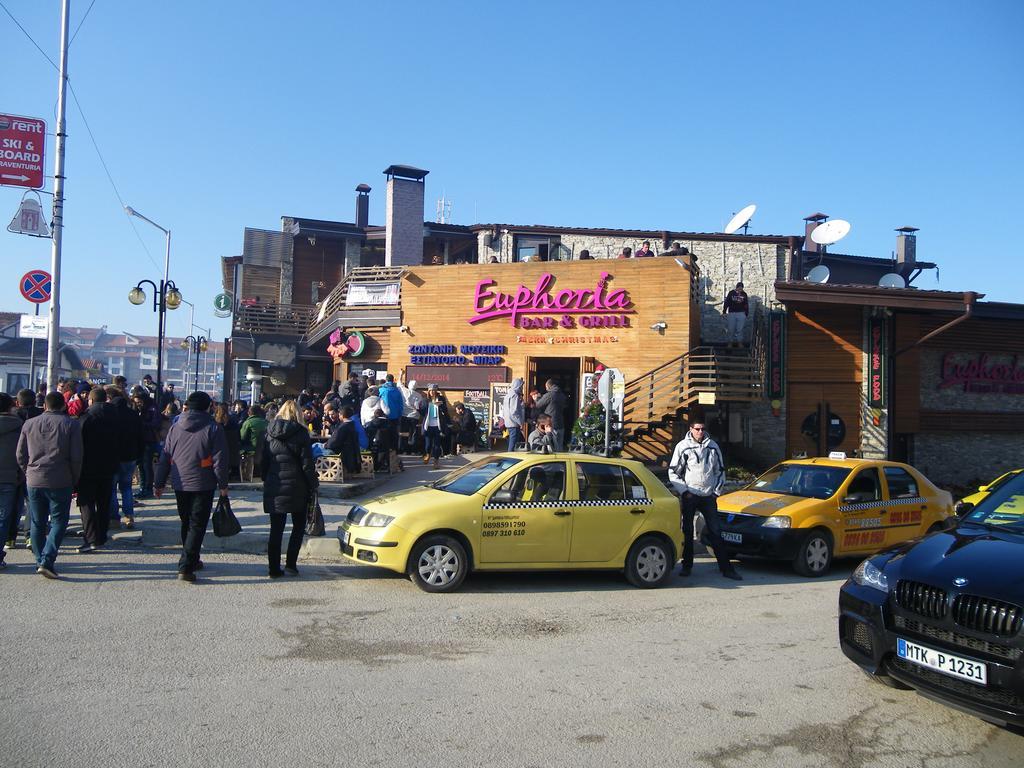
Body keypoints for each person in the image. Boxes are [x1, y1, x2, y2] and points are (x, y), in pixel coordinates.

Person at [154, 391, 228, 583]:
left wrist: (159, 482)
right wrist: (223, 485)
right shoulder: (213, 428)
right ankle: (186, 566)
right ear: (207, 407)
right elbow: (220, 460)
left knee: (186, 521)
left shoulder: (175, 427)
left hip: (179, 481)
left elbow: (165, 456)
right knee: (197, 524)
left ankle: (192, 559)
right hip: (203, 482)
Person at [16, 392, 83, 579]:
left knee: (37, 522)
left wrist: (27, 471)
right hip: (61, 479)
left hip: (34, 478)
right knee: (59, 521)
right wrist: (74, 478)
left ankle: (40, 560)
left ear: (44, 405)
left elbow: (20, 454)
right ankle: (47, 559)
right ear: (63, 406)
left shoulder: (29, 424)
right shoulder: (71, 425)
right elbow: (77, 456)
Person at [667, 420, 741, 581]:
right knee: (687, 531)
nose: (700, 432)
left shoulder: (712, 446)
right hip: (690, 495)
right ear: (691, 429)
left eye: (703, 429)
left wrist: (716, 492)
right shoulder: (683, 446)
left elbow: (720, 471)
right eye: (697, 429)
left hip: (708, 496)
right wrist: (684, 491)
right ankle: (687, 566)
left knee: (716, 531)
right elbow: (673, 472)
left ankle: (726, 568)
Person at [261, 399, 317, 578]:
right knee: (298, 526)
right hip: (297, 486)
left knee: (276, 529)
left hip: (275, 484)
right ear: (298, 413)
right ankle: (291, 564)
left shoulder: (269, 431)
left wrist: (267, 478)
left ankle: (273, 569)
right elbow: (307, 464)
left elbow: (263, 461)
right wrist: (313, 485)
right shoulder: (301, 433)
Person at [76, 388, 119, 552]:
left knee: (87, 504)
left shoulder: (86, 418)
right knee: (104, 502)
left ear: (91, 401)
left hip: (88, 467)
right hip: (110, 466)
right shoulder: (117, 417)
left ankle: (91, 538)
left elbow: (78, 444)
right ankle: (101, 536)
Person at [106, 385, 143, 529]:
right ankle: (129, 516)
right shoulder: (133, 414)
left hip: (113, 456)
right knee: (127, 487)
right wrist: (139, 454)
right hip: (130, 456)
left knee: (112, 489)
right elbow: (140, 436)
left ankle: (114, 519)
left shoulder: (109, 414)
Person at [0, 393, 24, 569]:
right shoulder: (20, 426)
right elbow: (23, 454)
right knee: (3, 519)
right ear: (11, 407)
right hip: (9, 478)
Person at [133, 389, 160, 499]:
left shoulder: (152, 408)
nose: (138, 404)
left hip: (149, 439)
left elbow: (156, 423)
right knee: (141, 465)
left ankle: (148, 489)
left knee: (146, 466)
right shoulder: (139, 409)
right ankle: (142, 488)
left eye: (139, 401)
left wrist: (142, 423)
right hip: (140, 439)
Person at [326, 405, 361, 476]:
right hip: (351, 450)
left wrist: (326, 445)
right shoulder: (353, 424)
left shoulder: (343, 427)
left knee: (315, 447)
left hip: (340, 450)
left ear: (342, 415)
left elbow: (333, 442)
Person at [420, 386, 449, 469]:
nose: (432, 392)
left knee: (437, 444)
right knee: (428, 444)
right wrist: (419, 408)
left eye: (434, 390)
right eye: (430, 390)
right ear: (428, 391)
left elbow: (445, 410)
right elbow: (422, 412)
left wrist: (440, 405)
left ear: (436, 391)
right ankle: (428, 454)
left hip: (437, 425)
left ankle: (436, 461)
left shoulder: (441, 399)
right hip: (428, 425)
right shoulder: (425, 400)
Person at [535, 378, 568, 451]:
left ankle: (555, 462)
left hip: (551, 422)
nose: (546, 389)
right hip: (561, 423)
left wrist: (537, 398)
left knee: (552, 447)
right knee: (560, 446)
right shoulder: (562, 394)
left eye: (546, 387)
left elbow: (538, 405)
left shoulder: (549, 395)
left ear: (549, 386)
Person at [240, 405, 269, 481]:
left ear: (249, 413)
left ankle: (244, 473)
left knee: (242, 452)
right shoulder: (266, 422)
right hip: (265, 449)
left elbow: (242, 437)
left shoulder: (248, 422)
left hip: (251, 449)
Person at [379, 374, 405, 446]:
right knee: (394, 433)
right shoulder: (397, 391)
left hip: (384, 415)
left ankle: (386, 447)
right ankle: (394, 448)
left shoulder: (381, 390)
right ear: (393, 380)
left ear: (386, 380)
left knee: (384, 433)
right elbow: (400, 404)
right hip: (395, 415)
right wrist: (400, 414)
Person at [501, 378, 526, 451]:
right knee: (513, 445)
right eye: (521, 386)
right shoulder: (515, 395)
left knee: (513, 443)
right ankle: (510, 458)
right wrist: (520, 422)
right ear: (518, 386)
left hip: (508, 422)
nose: (522, 388)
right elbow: (514, 411)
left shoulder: (508, 395)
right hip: (514, 423)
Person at [723, 281, 749, 348]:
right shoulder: (731, 293)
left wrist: (746, 313)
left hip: (741, 313)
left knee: (740, 329)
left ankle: (739, 342)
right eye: (739, 288)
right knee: (731, 329)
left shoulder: (744, 294)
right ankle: (730, 343)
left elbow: (746, 304)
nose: (740, 289)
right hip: (732, 313)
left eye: (741, 288)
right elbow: (727, 302)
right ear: (736, 287)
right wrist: (724, 311)